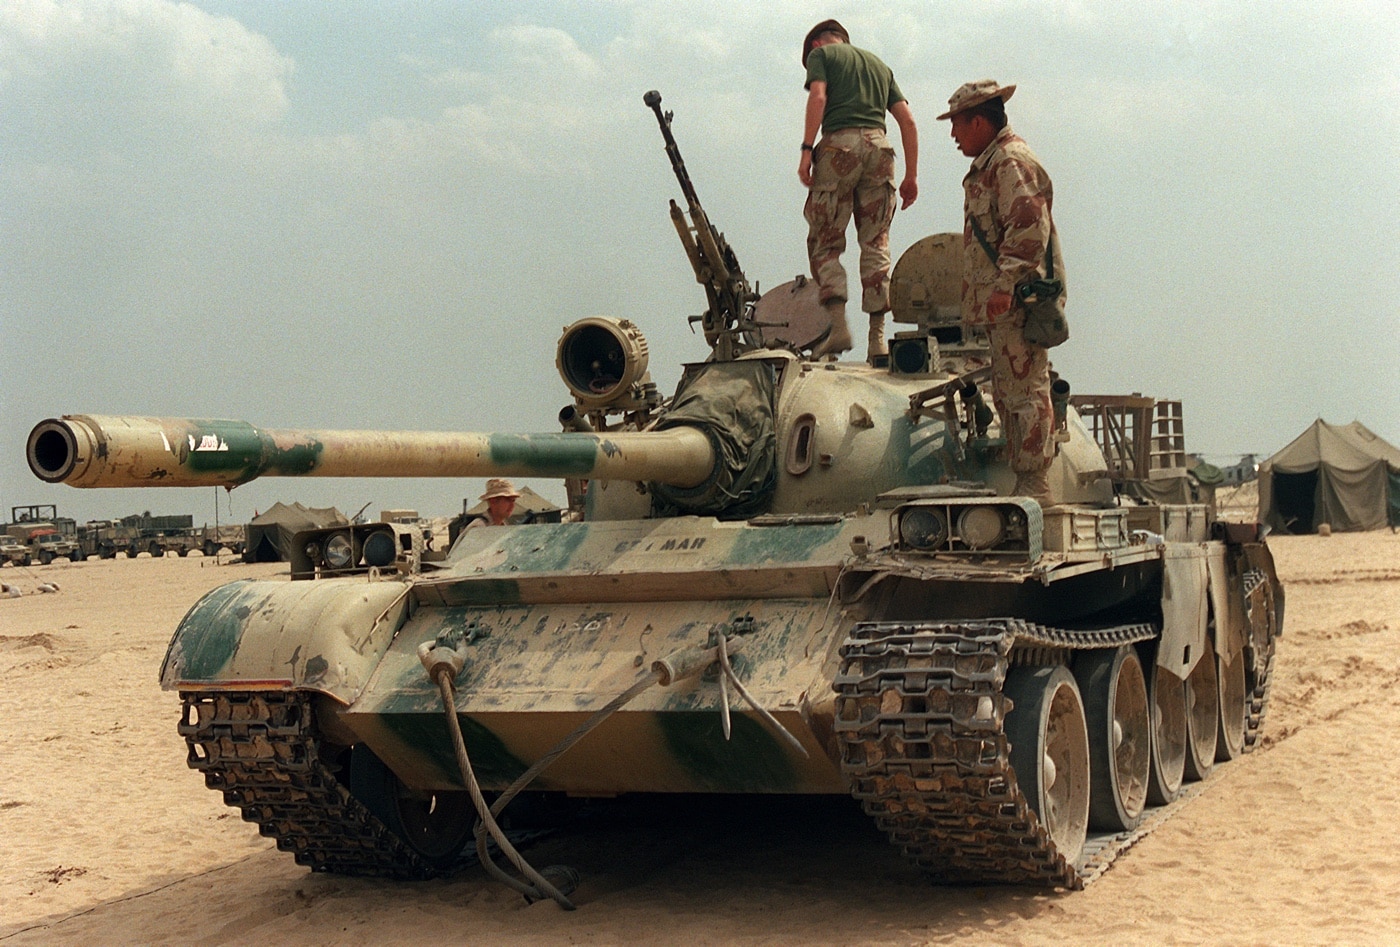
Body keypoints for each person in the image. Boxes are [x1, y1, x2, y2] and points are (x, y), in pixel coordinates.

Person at [939, 80, 1062, 505]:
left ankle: (1035, 483)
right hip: (1005, 303)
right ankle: (1026, 479)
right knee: (1011, 391)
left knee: (1026, 390)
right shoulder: (992, 164)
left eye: (957, 125)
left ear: (978, 121)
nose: (953, 135)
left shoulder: (1009, 162)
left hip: (1018, 301)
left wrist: (1006, 286)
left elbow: (1028, 227)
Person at [799, 19, 918, 363]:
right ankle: (877, 339)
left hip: (839, 148)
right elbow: (907, 120)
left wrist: (807, 149)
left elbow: (819, 95)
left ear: (816, 47)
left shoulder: (823, 57)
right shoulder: (880, 66)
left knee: (825, 239)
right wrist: (911, 176)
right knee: (876, 241)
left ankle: (839, 327)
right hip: (881, 150)